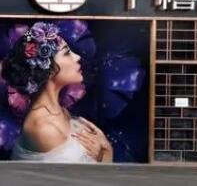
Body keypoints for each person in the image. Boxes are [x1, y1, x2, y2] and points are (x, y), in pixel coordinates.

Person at [1, 22, 113, 163]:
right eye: (67, 53)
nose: (77, 57)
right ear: (47, 70)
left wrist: (104, 151)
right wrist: (105, 154)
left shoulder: (60, 110)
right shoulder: (43, 129)